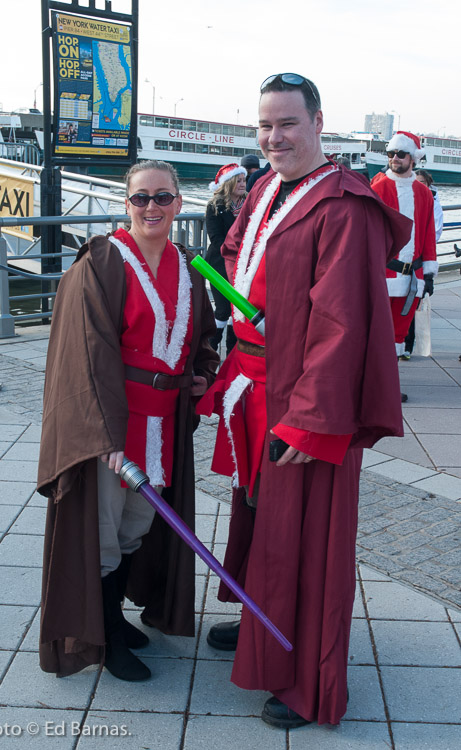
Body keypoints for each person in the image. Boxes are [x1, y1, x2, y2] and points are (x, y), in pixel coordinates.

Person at [197, 73, 412, 729]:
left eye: (286, 123)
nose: (274, 137)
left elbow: (341, 325)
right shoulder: (265, 188)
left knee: (307, 539)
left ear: (318, 123)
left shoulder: (342, 206)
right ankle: (264, 625)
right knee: (262, 520)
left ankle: (303, 680)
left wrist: (307, 421)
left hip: (300, 401)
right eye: (264, 124)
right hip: (254, 381)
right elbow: (241, 258)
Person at [37, 159, 219, 682]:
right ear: (126, 204)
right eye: (141, 198)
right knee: (103, 535)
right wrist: (104, 433)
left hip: (162, 423)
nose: (152, 208)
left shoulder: (189, 269)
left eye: (163, 197)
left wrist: (202, 375)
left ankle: (115, 616)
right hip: (114, 429)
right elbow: (85, 353)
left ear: (180, 203)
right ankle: (106, 636)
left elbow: (202, 338)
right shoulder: (101, 262)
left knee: (137, 527)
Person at [371, 132, 438, 396]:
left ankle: (388, 388)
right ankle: (373, 389)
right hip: (383, 275)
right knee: (377, 333)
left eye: (400, 154)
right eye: (391, 154)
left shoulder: (424, 193)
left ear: (413, 158)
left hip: (413, 278)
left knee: (399, 335)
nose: (394, 159)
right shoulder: (377, 189)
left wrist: (429, 272)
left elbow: (429, 234)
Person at [205, 163, 247, 355]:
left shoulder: (249, 203)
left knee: (236, 310)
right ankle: (209, 353)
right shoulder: (215, 206)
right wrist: (236, 251)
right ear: (228, 183)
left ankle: (231, 356)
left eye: (244, 180)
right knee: (222, 309)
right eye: (238, 180)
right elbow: (215, 238)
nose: (243, 184)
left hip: (244, 264)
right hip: (219, 263)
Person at [403, 168, 444, 359]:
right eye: (416, 181)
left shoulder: (432, 203)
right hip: (401, 260)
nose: (419, 185)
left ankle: (407, 346)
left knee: (413, 302)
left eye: (423, 182)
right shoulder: (405, 197)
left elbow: (434, 234)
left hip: (420, 260)